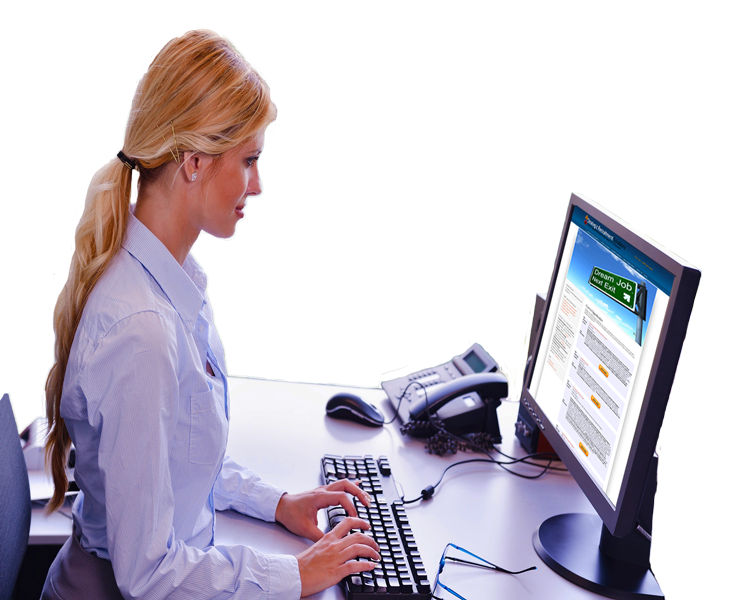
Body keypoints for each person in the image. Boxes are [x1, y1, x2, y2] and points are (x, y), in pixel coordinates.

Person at [42, 29, 379, 600]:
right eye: (249, 160)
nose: (256, 185)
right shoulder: (142, 331)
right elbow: (148, 573)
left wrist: (276, 503)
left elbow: (176, 462)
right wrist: (295, 574)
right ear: (194, 162)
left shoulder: (171, 284)